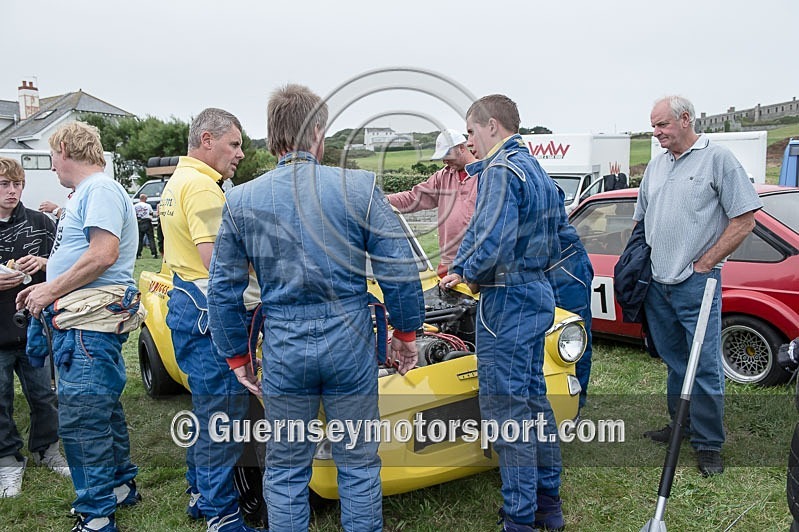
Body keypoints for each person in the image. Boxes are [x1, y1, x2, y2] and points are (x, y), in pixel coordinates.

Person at [207, 84, 424, 532]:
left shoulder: (241, 200)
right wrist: (405, 335)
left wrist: (237, 356)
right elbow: (398, 268)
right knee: (359, 460)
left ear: (272, 137)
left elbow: (223, 291)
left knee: (286, 469)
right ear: (318, 131)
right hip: (351, 341)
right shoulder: (359, 188)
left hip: (286, 347)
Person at [439, 95, 565, 532]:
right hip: (536, 292)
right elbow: (559, 235)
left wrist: (464, 276)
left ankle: (519, 517)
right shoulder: (537, 172)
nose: (469, 141)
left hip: (506, 301)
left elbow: (491, 242)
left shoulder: (499, 171)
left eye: (470, 132)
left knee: (507, 413)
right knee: (534, 400)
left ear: (492, 126)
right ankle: (548, 504)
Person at [16, 122, 143, 532]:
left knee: (82, 418)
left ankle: (97, 513)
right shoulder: (91, 193)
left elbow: (103, 254)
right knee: (103, 409)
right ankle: (121, 487)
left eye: (52, 156)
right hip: (84, 321)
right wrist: (46, 290)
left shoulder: (100, 190)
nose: (52, 166)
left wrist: (48, 288)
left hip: (88, 324)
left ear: (66, 148)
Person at [636, 95, 761, 477]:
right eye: (653, 127)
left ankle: (708, 444)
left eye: (662, 126)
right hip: (658, 284)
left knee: (703, 366)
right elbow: (642, 220)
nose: (656, 133)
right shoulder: (656, 167)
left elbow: (745, 218)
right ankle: (681, 427)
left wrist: (706, 263)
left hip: (697, 284)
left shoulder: (717, 159)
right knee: (676, 362)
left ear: (685, 119)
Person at [159, 108, 263, 532]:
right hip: (211, 317)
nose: (239, 153)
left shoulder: (176, 181)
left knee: (206, 413)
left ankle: (201, 494)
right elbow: (219, 263)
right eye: (234, 144)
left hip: (187, 309)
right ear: (207, 139)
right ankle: (223, 514)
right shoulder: (203, 188)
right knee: (225, 419)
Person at [0, 157, 69, 499]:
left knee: (44, 395)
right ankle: (8, 460)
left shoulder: (41, 223)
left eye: (17, 184)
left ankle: (47, 449)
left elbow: (67, 265)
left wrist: (44, 263)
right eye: (4, 185)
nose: (12, 191)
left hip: (35, 328)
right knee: (0, 400)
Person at [387, 128, 477, 277]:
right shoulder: (442, 176)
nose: (444, 161)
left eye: (447, 155)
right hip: (448, 262)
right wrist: (382, 200)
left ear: (461, 148)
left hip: (476, 262)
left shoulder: (487, 175)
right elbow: (413, 198)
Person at [546, 186, 594, 410]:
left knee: (571, 334)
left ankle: (574, 403)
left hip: (564, 265)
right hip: (543, 262)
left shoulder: (533, 182)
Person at [134, 194, 158, 259]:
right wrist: (150, 218)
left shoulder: (135, 206)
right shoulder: (148, 205)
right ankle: (154, 254)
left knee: (139, 239)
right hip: (147, 222)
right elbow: (151, 213)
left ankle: (138, 254)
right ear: (144, 199)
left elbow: (134, 214)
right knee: (151, 238)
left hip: (139, 222)